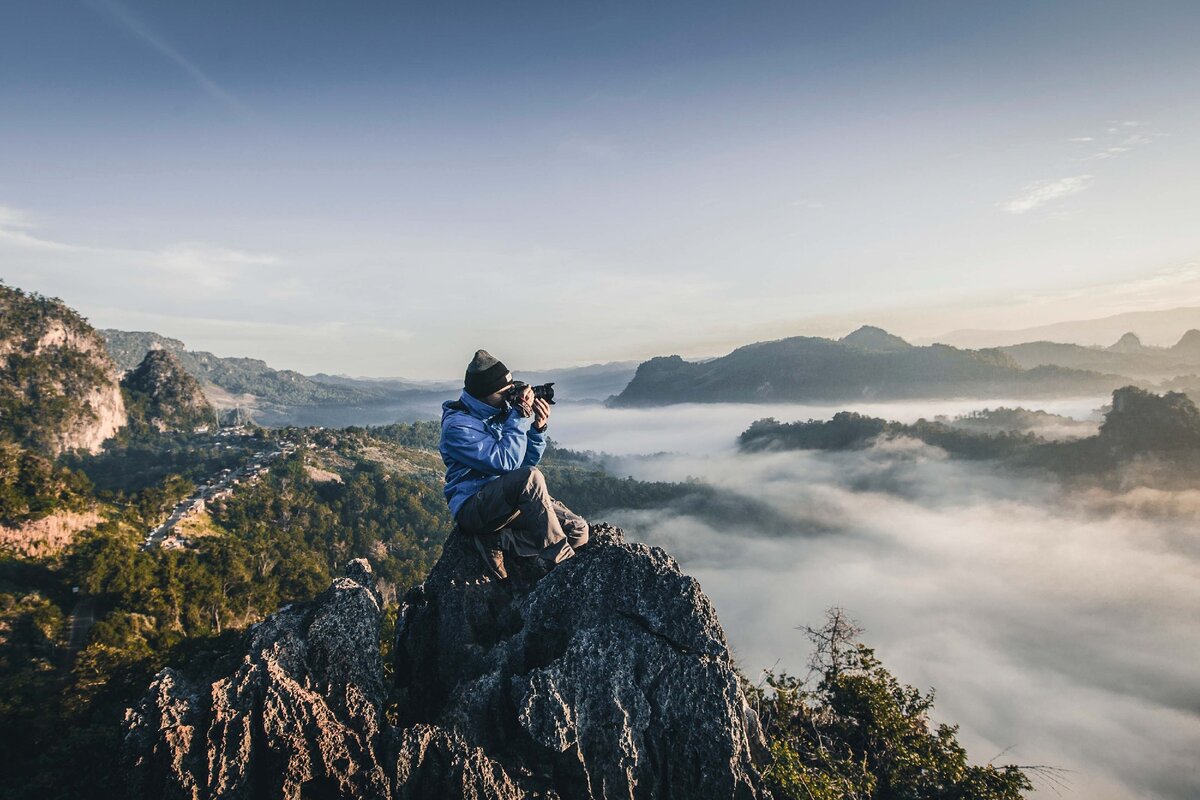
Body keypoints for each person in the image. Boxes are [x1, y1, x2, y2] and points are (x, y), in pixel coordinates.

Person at [439, 349, 589, 580]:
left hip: (506, 502)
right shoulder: (458, 427)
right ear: (484, 394)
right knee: (531, 476)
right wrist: (518, 416)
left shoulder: (499, 412)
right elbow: (507, 464)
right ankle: (560, 564)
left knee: (578, 531)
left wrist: (538, 430)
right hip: (474, 507)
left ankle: (500, 540)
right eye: (504, 393)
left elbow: (522, 465)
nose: (510, 397)